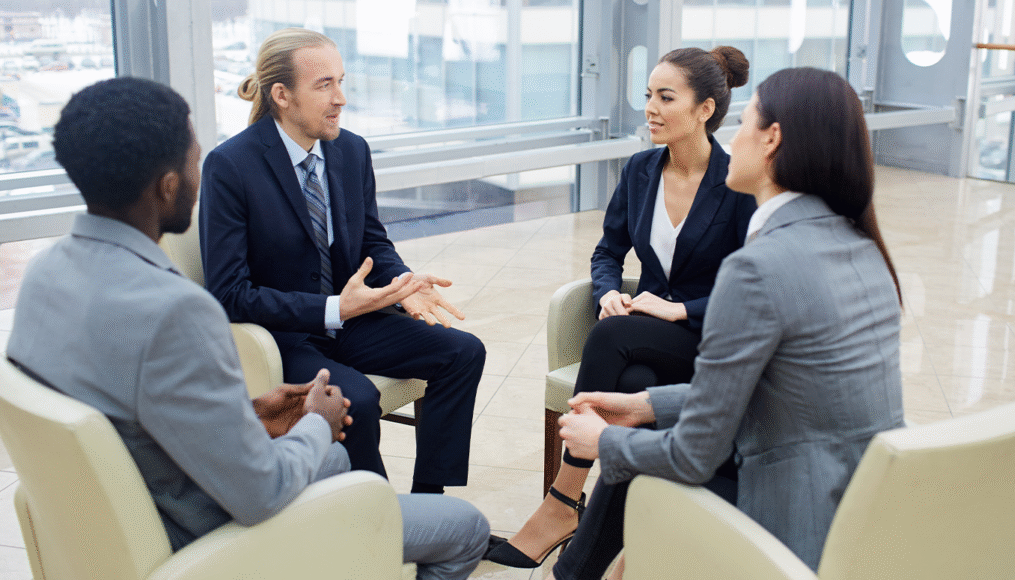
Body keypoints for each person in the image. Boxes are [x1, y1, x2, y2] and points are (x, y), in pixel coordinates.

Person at [6, 77, 489, 580]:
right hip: (206, 533)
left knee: (340, 465)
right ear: (168, 185)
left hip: (129, 509)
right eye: (193, 159)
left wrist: (250, 413)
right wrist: (317, 423)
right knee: (465, 528)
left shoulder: (44, 275)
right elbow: (261, 493)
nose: (199, 174)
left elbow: (130, 405)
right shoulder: (178, 312)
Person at [547, 67, 906, 579]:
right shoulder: (863, 247)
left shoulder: (758, 267)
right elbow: (786, 393)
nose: (732, 139)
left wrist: (601, 442)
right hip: (861, 504)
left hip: (792, 518)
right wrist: (645, 405)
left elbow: (694, 456)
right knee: (641, 421)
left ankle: (568, 561)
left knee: (635, 469)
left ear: (771, 139)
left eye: (744, 122)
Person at [486, 46, 756, 568]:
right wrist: (607, 291)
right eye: (648, 95)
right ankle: (609, 536)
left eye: (666, 97)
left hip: (709, 337)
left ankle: (562, 501)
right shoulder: (640, 171)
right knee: (632, 380)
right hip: (648, 342)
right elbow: (607, 252)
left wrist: (682, 311)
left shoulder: (737, 182)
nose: (650, 108)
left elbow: (751, 289)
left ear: (704, 109)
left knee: (611, 337)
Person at [199, 28, 485, 494]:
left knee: (463, 352)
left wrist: (403, 283)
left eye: (341, 81)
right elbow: (229, 293)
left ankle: (428, 500)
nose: (341, 99)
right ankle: (374, 515)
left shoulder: (351, 150)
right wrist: (334, 308)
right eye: (324, 85)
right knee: (359, 399)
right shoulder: (230, 166)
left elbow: (372, 241)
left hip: (352, 323)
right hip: (285, 338)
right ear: (282, 95)